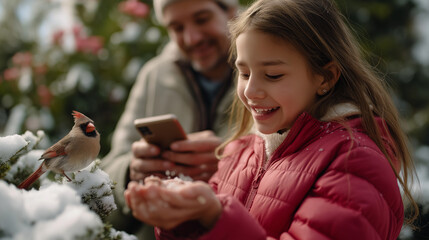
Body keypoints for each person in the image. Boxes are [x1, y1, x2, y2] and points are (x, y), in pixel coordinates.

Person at [124, 0, 420, 239]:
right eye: (243, 73)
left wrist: (214, 217)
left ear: (325, 77)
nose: (251, 91)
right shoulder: (239, 151)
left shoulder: (354, 161)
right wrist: (182, 218)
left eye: (273, 75)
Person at [100, 0, 239, 239]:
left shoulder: (273, 68)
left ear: (231, 11)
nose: (192, 38)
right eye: (176, 28)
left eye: (202, 19)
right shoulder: (154, 77)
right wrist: (130, 173)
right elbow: (109, 170)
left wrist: (231, 164)